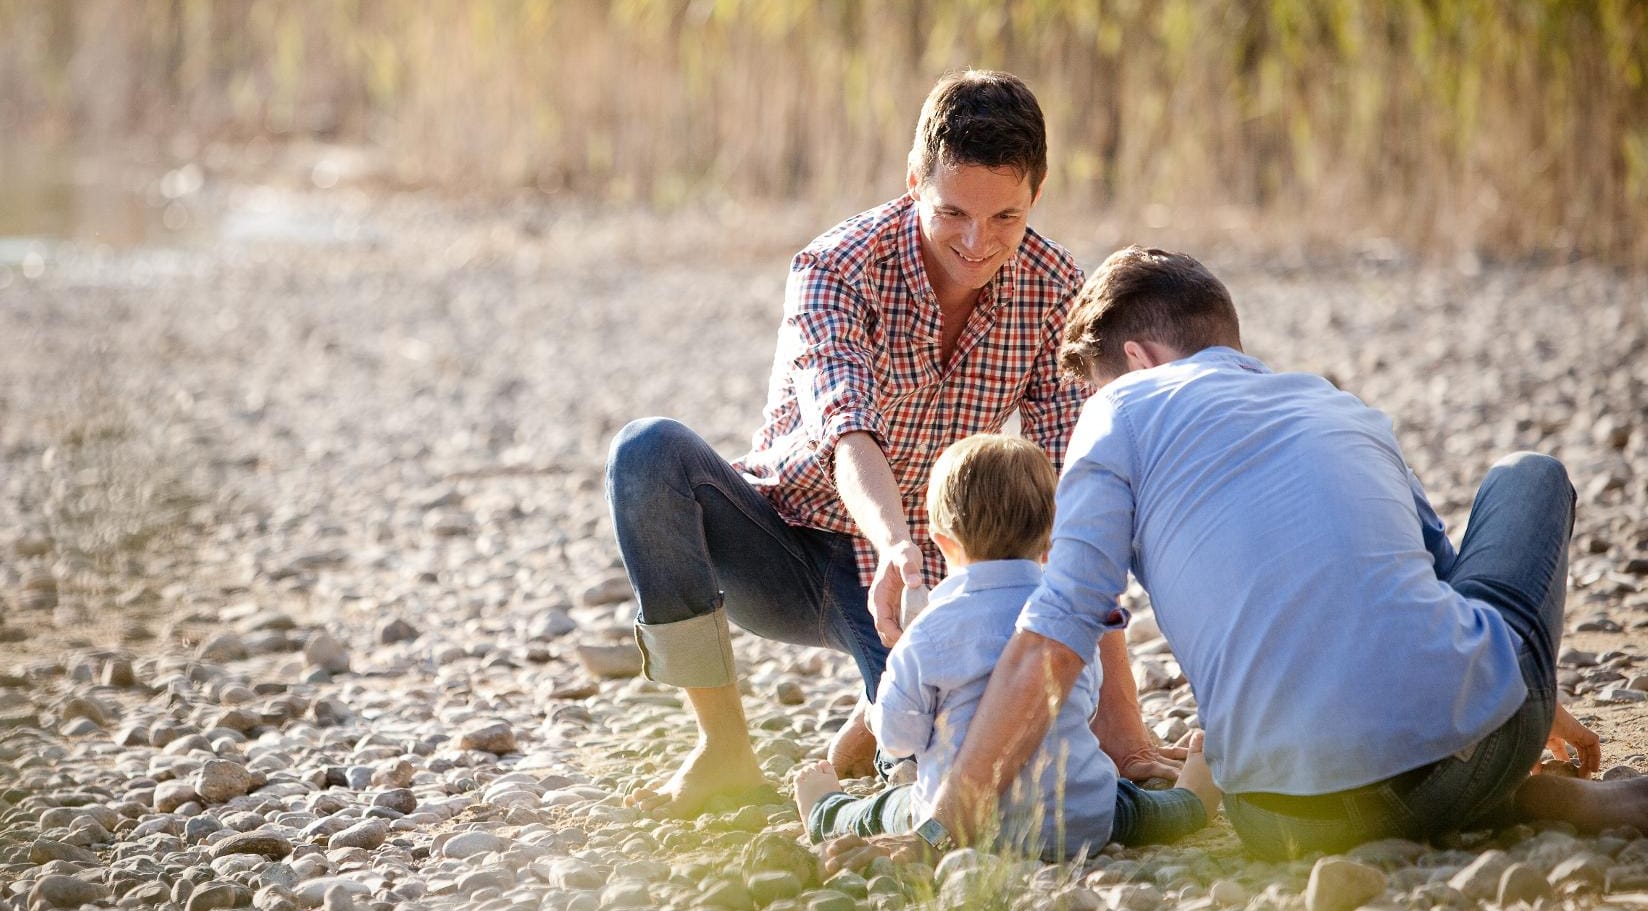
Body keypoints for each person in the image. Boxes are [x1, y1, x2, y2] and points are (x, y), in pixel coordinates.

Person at [836, 245, 1626, 870]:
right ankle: (1505, 796)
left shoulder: (1118, 413)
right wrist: (1536, 707)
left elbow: (1056, 635)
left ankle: (1496, 806)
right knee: (1530, 474)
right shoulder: (1338, 407)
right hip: (1476, 752)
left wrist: (943, 831)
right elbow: (1442, 583)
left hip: (1280, 817)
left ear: (1137, 362)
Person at [603, 71, 1180, 818]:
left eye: (1005, 216)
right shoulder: (834, 268)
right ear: (915, 182)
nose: (978, 243)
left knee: (931, 773)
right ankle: (722, 751)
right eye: (953, 213)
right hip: (786, 541)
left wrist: (1124, 734)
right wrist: (894, 543)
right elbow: (847, 431)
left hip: (927, 585)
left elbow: (1076, 498)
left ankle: (861, 729)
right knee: (646, 452)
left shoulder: (1053, 286)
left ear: (1038, 192)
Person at [791, 434, 1217, 861]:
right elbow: (1084, 706)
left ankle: (828, 811)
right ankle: (1193, 801)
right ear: (1052, 539)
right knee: (1133, 807)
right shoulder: (1068, 616)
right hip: (1079, 822)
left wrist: (886, 697)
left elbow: (899, 740)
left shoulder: (930, 631)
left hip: (960, 826)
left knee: (886, 810)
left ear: (943, 543)